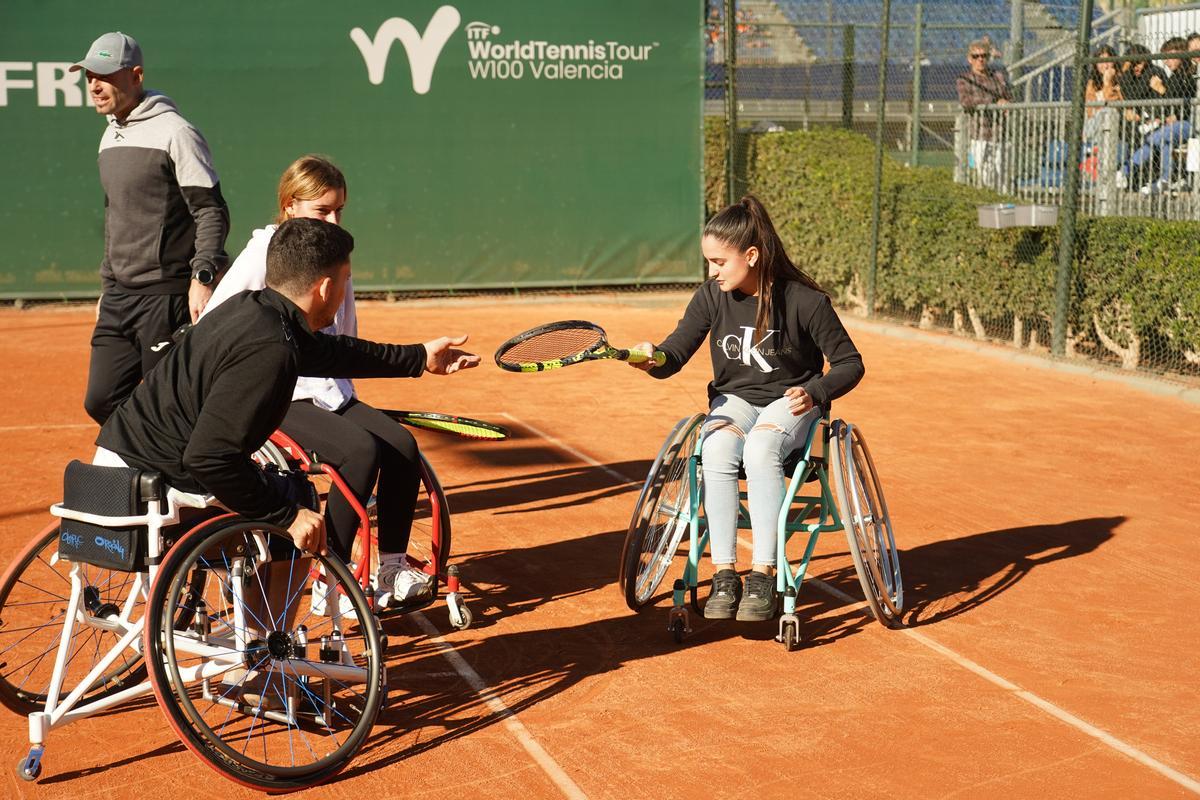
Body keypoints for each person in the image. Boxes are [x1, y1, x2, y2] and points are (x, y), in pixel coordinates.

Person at [94, 217, 480, 564]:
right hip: (154, 490)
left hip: (108, 473)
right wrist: (287, 517)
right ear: (326, 287)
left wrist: (419, 357)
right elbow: (209, 458)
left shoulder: (253, 310)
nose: (346, 290)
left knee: (278, 494)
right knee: (299, 505)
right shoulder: (271, 349)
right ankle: (267, 640)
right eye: (346, 280)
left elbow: (335, 353)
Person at [201, 155, 430, 607]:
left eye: (339, 210)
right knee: (359, 452)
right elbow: (215, 319)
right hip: (276, 391)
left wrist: (351, 399)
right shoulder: (265, 252)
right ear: (289, 207)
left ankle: (391, 566)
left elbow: (344, 338)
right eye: (321, 210)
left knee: (401, 447)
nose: (332, 219)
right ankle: (335, 579)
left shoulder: (332, 252)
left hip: (327, 390)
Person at [627, 196, 864, 622]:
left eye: (719, 261)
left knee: (759, 449)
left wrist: (815, 391)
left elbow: (850, 364)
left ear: (751, 256)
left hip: (790, 404)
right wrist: (652, 358)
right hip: (734, 402)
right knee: (715, 449)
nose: (712, 272)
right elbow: (673, 355)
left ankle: (763, 574)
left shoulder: (805, 302)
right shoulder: (711, 297)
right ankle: (724, 574)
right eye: (709, 262)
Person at [70, 32, 230, 424]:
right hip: (119, 297)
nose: (94, 84)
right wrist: (108, 287)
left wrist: (203, 275)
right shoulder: (110, 134)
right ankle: (152, 470)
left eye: (105, 75)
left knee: (171, 405)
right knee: (102, 400)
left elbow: (210, 210)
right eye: (89, 75)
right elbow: (116, 215)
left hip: (164, 296)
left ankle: (197, 477)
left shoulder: (177, 133)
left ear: (136, 75)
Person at [1125, 37, 1194, 194]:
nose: (1166, 62)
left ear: (1182, 53)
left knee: (1155, 138)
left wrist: (1161, 89)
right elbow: (1171, 106)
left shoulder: (1188, 74)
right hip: (1174, 125)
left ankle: (1127, 168)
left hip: (1189, 123)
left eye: (1170, 56)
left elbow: (1185, 104)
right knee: (1164, 142)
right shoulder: (1174, 76)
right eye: (1164, 58)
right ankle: (1167, 179)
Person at [956, 38, 1012, 190]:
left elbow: (1008, 97)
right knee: (984, 177)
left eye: (984, 56)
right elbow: (966, 101)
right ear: (970, 59)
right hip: (979, 135)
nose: (980, 59)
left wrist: (1004, 102)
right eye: (976, 56)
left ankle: (1004, 210)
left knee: (1003, 178)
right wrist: (994, 102)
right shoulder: (965, 79)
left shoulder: (997, 76)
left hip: (1001, 134)